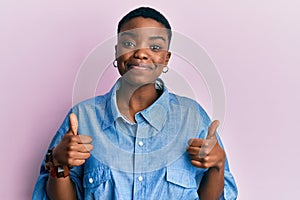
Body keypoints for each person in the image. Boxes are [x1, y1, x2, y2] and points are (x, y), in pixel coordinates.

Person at [33, 7, 237, 200]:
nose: (140, 53)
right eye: (129, 44)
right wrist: (58, 165)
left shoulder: (192, 117)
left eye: (155, 47)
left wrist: (218, 165)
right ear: (116, 52)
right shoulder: (83, 117)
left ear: (166, 59)